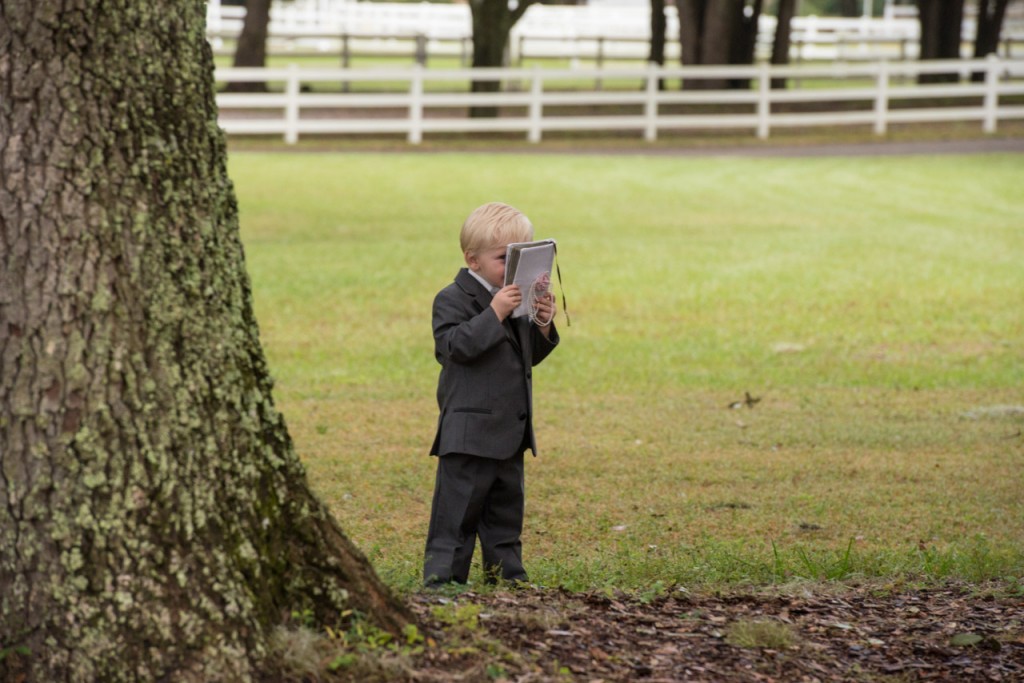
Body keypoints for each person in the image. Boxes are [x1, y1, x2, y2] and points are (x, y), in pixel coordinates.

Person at [423, 202, 559, 588]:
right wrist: (495, 313)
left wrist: (542, 323)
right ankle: (443, 583)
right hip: (468, 433)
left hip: (510, 430)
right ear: (473, 260)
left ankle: (507, 578)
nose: (513, 271)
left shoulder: (511, 296)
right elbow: (454, 348)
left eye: (522, 258)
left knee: (504, 514)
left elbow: (527, 356)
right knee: (457, 515)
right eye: (505, 259)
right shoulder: (452, 298)